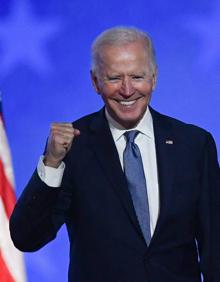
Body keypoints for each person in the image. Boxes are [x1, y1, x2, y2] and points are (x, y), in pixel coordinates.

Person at [10, 26, 220, 282]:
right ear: (95, 82)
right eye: (114, 78)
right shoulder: (73, 148)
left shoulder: (194, 145)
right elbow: (26, 237)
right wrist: (52, 163)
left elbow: (215, 248)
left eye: (137, 76)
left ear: (154, 77)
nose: (127, 90)